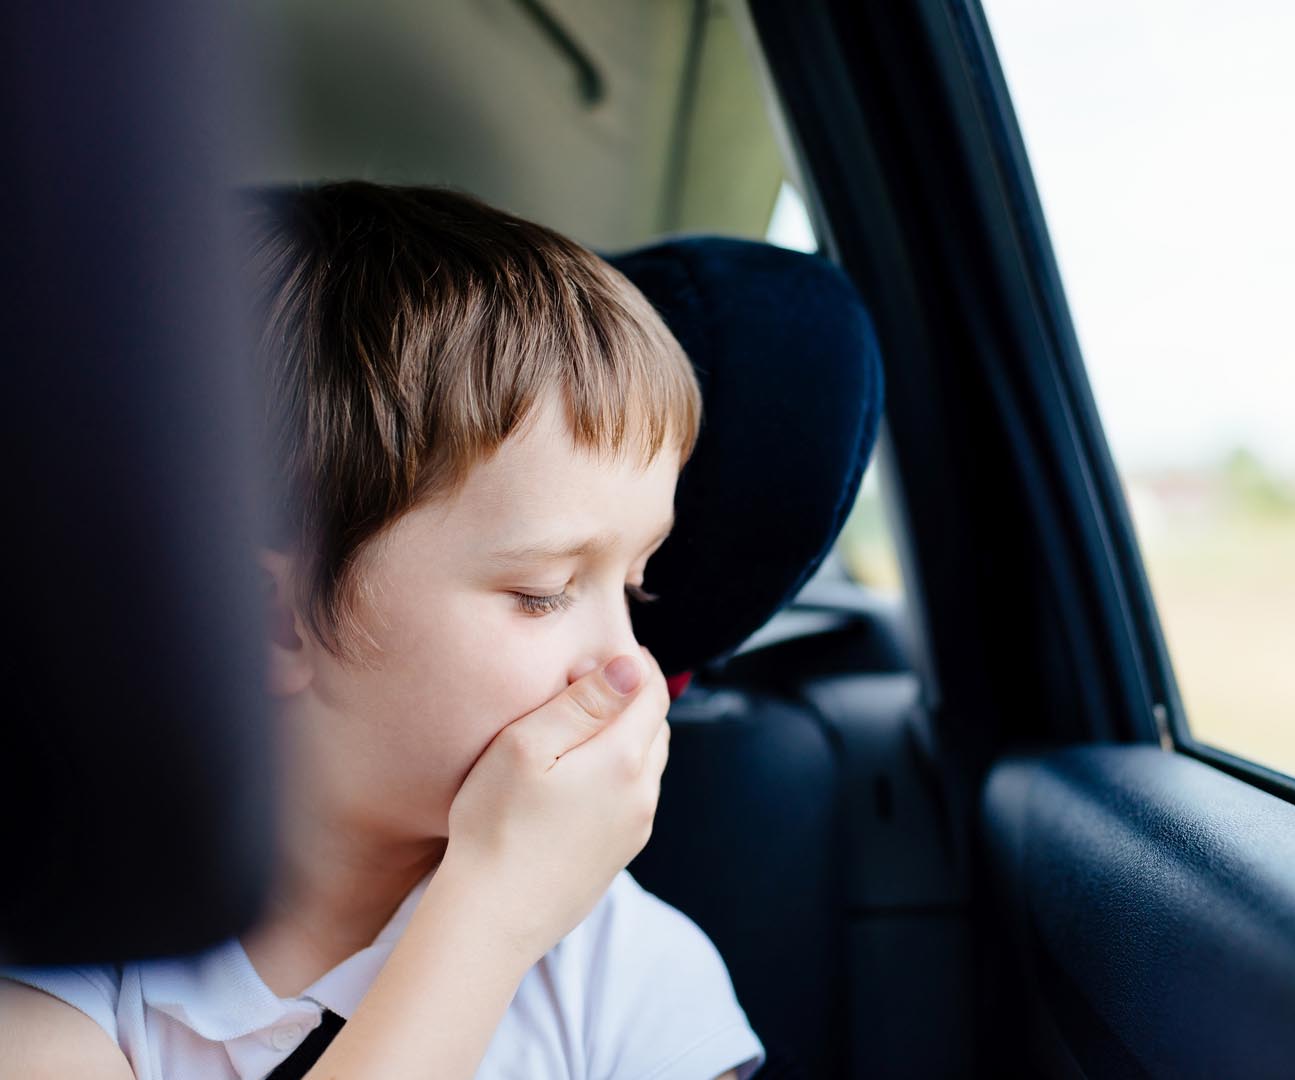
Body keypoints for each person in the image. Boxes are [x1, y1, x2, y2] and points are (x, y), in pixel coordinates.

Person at [0, 181, 766, 1080]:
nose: (628, 663)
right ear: (272, 618)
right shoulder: (58, 947)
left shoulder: (629, 977)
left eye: (634, 586)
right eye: (544, 591)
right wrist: (491, 913)